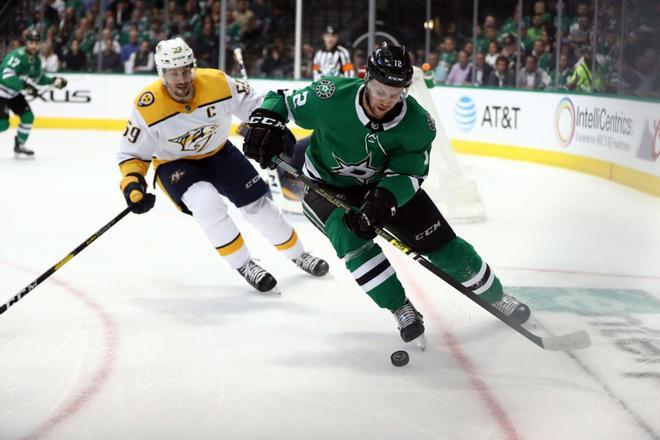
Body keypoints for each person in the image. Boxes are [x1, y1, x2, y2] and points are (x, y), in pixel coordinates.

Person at [242, 42, 531, 346]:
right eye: (381, 91)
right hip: (326, 187)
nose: (387, 101)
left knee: (441, 244)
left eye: (397, 93)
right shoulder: (329, 96)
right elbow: (283, 101)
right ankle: (400, 307)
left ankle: (497, 297)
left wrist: (384, 201)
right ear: (367, 79)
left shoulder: (417, 124)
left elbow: (409, 173)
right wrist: (267, 120)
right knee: (353, 240)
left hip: (384, 187)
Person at [116, 38, 329, 293]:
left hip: (218, 152)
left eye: (186, 70)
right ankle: (245, 264)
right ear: (162, 73)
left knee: (258, 206)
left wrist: (269, 125)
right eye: (174, 73)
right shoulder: (147, 106)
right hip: (174, 164)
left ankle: (299, 254)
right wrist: (132, 185)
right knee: (206, 203)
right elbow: (131, 154)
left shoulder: (217, 82)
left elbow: (256, 105)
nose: (182, 79)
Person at [0, 29, 67, 156]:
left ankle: (20, 145)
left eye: (36, 43)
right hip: (1, 92)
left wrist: (53, 80)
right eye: (31, 42)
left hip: (14, 93)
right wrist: (24, 85)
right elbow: (6, 76)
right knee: (3, 125)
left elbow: (38, 78)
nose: (33, 45)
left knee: (28, 117)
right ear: (26, 43)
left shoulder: (36, 60)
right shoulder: (18, 56)